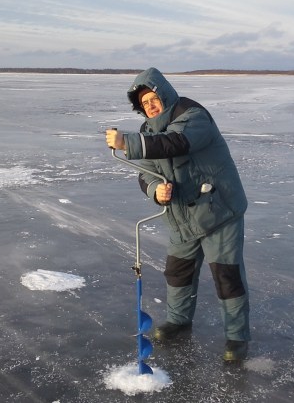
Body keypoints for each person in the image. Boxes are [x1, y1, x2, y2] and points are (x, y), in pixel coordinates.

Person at [106, 67, 250, 361]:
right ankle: (179, 321)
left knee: (227, 277)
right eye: (144, 103)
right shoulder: (148, 131)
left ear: (165, 95)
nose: (150, 106)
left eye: (153, 99)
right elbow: (146, 173)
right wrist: (155, 190)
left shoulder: (193, 116)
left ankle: (237, 337)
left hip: (219, 213)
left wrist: (126, 143)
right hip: (181, 217)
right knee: (177, 273)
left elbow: (175, 143)